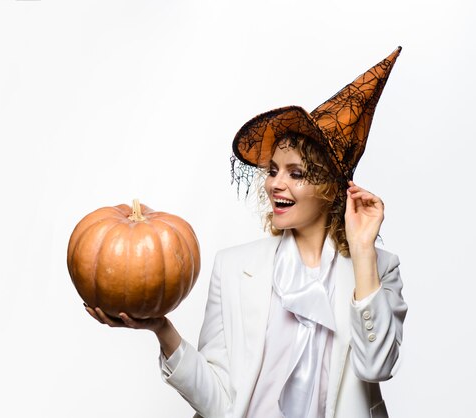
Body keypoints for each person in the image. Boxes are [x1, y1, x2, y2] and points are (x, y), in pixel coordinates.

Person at [85, 47, 408, 418]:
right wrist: (162, 329)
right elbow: (220, 403)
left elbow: (378, 366)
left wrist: (363, 251)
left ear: (332, 188)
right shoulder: (234, 268)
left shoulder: (379, 270)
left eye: (295, 173)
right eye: (272, 171)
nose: (276, 184)